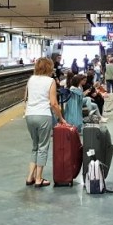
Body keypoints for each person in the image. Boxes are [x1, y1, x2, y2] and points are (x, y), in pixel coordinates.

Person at [24, 57, 68, 188]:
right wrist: (61, 118)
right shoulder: (50, 81)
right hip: (43, 115)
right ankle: (38, 179)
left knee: (35, 146)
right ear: (49, 67)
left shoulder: (30, 80)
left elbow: (25, 98)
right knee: (43, 147)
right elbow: (54, 103)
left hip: (29, 115)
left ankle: (29, 177)